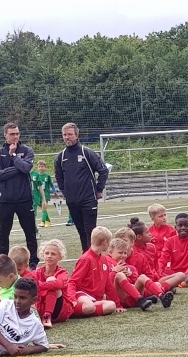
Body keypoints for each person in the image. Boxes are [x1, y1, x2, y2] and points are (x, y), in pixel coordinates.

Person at [54, 123, 109, 252]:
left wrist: (99, 189)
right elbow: (59, 177)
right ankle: (86, 257)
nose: (67, 137)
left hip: (88, 199)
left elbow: (103, 171)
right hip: (72, 201)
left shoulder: (86, 152)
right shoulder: (60, 157)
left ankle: (93, 258)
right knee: (81, 231)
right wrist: (66, 192)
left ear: (76, 135)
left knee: (90, 231)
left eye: (70, 134)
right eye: (64, 135)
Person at [0, 122, 39, 269]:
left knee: (30, 232)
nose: (15, 136)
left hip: (24, 199)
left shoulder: (27, 151)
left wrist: (13, 156)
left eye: (17, 133)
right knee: (3, 234)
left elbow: (26, 168)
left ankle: (33, 262)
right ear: (5, 135)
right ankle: (2, 263)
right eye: (12, 134)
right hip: (5, 200)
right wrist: (17, 168)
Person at [67, 226, 117, 317]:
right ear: (105, 242)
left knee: (112, 305)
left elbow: (107, 283)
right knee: (89, 306)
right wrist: (71, 299)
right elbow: (72, 281)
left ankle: (86, 310)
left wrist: (118, 304)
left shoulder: (103, 259)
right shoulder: (86, 259)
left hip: (95, 298)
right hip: (82, 294)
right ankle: (69, 310)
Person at [34, 239, 76, 328]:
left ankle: (47, 316)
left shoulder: (62, 272)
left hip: (60, 310)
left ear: (60, 257)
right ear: (43, 255)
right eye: (47, 253)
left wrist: (39, 285)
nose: (49, 256)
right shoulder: (37, 272)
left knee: (51, 280)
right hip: (41, 307)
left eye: (53, 254)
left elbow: (58, 284)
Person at [158, 213, 188, 287]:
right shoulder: (169, 241)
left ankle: (178, 281)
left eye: (186, 225)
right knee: (161, 271)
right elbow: (163, 259)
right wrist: (159, 272)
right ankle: (182, 281)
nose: (183, 228)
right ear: (175, 227)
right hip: (175, 273)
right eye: (180, 225)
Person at [31, 159, 58, 228]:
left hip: (45, 194)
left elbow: (51, 184)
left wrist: (55, 191)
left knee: (44, 208)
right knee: (43, 209)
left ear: (45, 167)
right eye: (39, 166)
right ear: (37, 167)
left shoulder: (47, 176)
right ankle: (48, 221)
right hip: (38, 195)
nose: (41, 168)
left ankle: (42, 222)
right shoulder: (36, 175)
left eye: (42, 166)